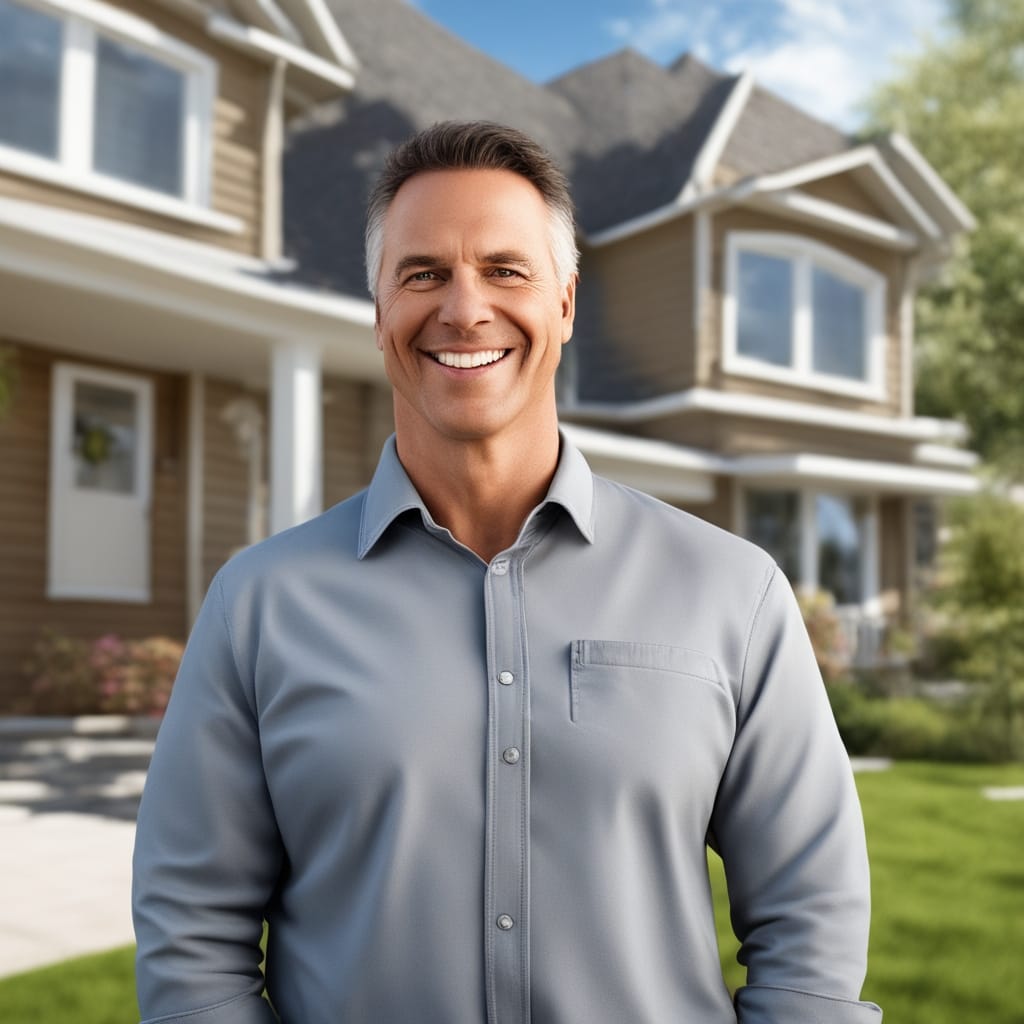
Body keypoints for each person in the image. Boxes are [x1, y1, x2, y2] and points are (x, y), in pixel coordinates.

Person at [133, 120, 882, 1024]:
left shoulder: (733, 592)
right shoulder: (258, 606)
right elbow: (191, 937)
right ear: (379, 314)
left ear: (565, 304)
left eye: (504, 269)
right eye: (422, 274)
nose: (463, 309)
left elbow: (812, 923)